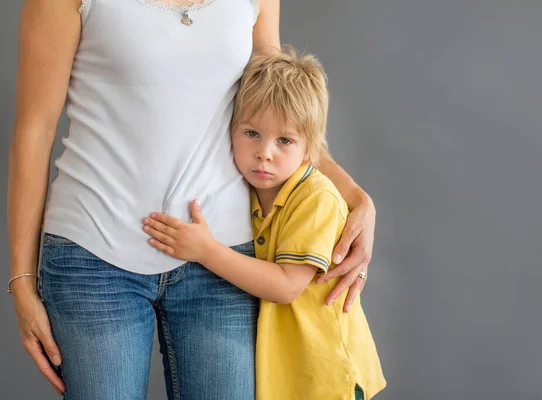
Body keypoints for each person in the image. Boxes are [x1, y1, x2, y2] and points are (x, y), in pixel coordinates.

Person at [7, 0, 377, 399]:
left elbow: (280, 110)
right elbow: (35, 129)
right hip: (94, 253)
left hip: (222, 256)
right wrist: (22, 279)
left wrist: (357, 199)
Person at [142, 48, 386, 400]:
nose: (264, 152)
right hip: (289, 372)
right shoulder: (256, 191)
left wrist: (206, 251)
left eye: (284, 140)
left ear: (310, 149)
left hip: (326, 375)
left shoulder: (316, 198)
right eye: (252, 133)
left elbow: (286, 286)